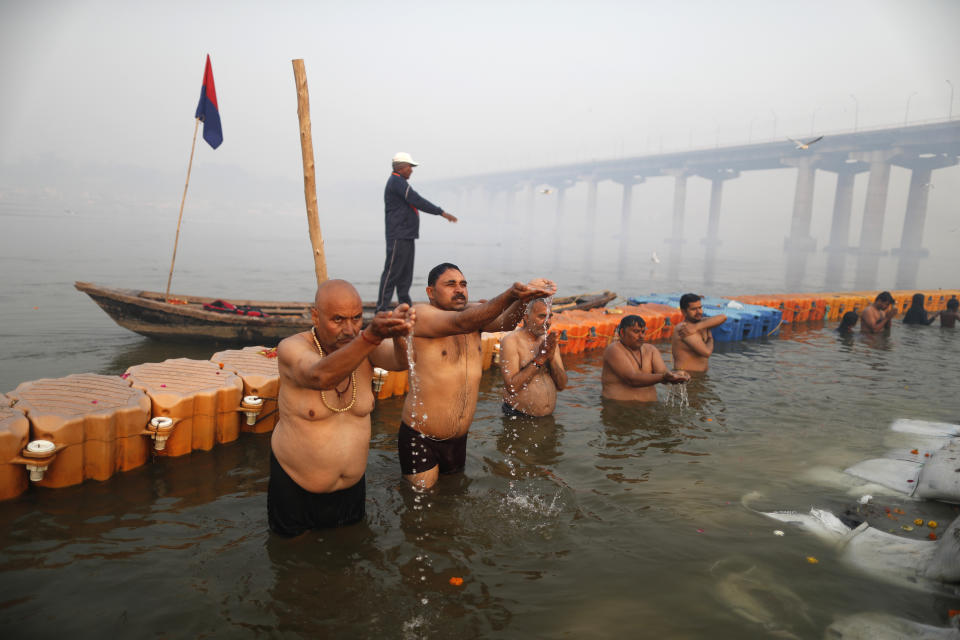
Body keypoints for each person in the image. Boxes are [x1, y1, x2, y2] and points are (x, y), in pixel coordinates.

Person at [269, 279, 415, 536]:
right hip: (295, 488)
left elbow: (400, 362)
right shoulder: (292, 348)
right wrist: (370, 336)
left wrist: (400, 333)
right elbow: (319, 376)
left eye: (357, 318)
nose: (349, 329)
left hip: (352, 489)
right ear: (315, 316)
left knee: (351, 557)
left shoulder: (364, 347)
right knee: (292, 566)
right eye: (338, 320)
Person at [399, 262, 556, 489]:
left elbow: (508, 321)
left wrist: (525, 297)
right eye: (450, 284)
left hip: (458, 440)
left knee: (453, 498)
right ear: (430, 292)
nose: (459, 289)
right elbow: (462, 323)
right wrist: (512, 293)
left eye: (463, 284)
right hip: (421, 437)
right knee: (422, 507)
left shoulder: (473, 317)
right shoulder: (421, 315)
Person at [376, 152, 458, 312]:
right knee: (392, 272)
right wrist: (441, 212)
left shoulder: (399, 182)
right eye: (410, 167)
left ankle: (404, 305)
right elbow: (416, 200)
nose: (411, 170)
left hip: (407, 235)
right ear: (401, 167)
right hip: (398, 235)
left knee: (405, 274)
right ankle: (381, 309)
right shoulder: (396, 181)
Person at [499, 299, 567, 418]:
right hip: (520, 417)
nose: (547, 322)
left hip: (547, 418)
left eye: (549, 317)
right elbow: (512, 387)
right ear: (526, 317)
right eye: (542, 317)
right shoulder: (511, 341)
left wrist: (550, 359)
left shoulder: (549, 341)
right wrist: (541, 358)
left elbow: (562, 385)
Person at [602, 315, 690, 401]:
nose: (641, 336)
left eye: (643, 332)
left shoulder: (651, 350)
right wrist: (664, 377)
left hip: (649, 409)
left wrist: (677, 375)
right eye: (636, 331)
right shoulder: (614, 349)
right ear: (622, 332)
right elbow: (631, 379)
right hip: (619, 409)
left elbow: (663, 374)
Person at [671, 293, 727, 372]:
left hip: (700, 377)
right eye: (693, 309)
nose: (699, 312)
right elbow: (706, 353)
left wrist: (696, 327)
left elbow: (723, 317)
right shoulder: (684, 329)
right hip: (686, 378)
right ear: (684, 312)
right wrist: (710, 339)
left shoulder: (700, 324)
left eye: (700, 308)